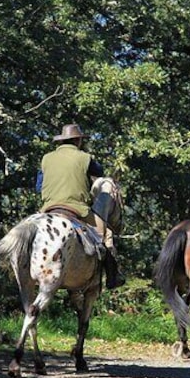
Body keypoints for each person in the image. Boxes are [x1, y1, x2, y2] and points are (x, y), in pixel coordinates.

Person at [38, 123, 124, 289]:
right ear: (77, 140)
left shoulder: (46, 159)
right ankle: (113, 276)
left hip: (47, 209)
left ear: (62, 141)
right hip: (77, 209)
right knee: (104, 236)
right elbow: (100, 173)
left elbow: (38, 186)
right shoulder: (85, 158)